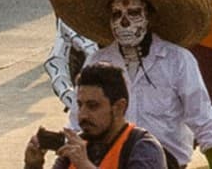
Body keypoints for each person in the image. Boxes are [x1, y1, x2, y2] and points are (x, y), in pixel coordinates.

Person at [45, 0, 212, 169]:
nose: (124, 22)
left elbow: (202, 117)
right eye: (117, 15)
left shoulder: (177, 60)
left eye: (133, 13)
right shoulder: (98, 61)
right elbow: (78, 120)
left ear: (148, 16)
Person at [24, 63, 170, 169]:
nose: (83, 115)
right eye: (80, 105)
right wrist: (33, 166)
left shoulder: (143, 148)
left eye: (93, 106)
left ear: (119, 107)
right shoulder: (76, 149)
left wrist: (84, 165)